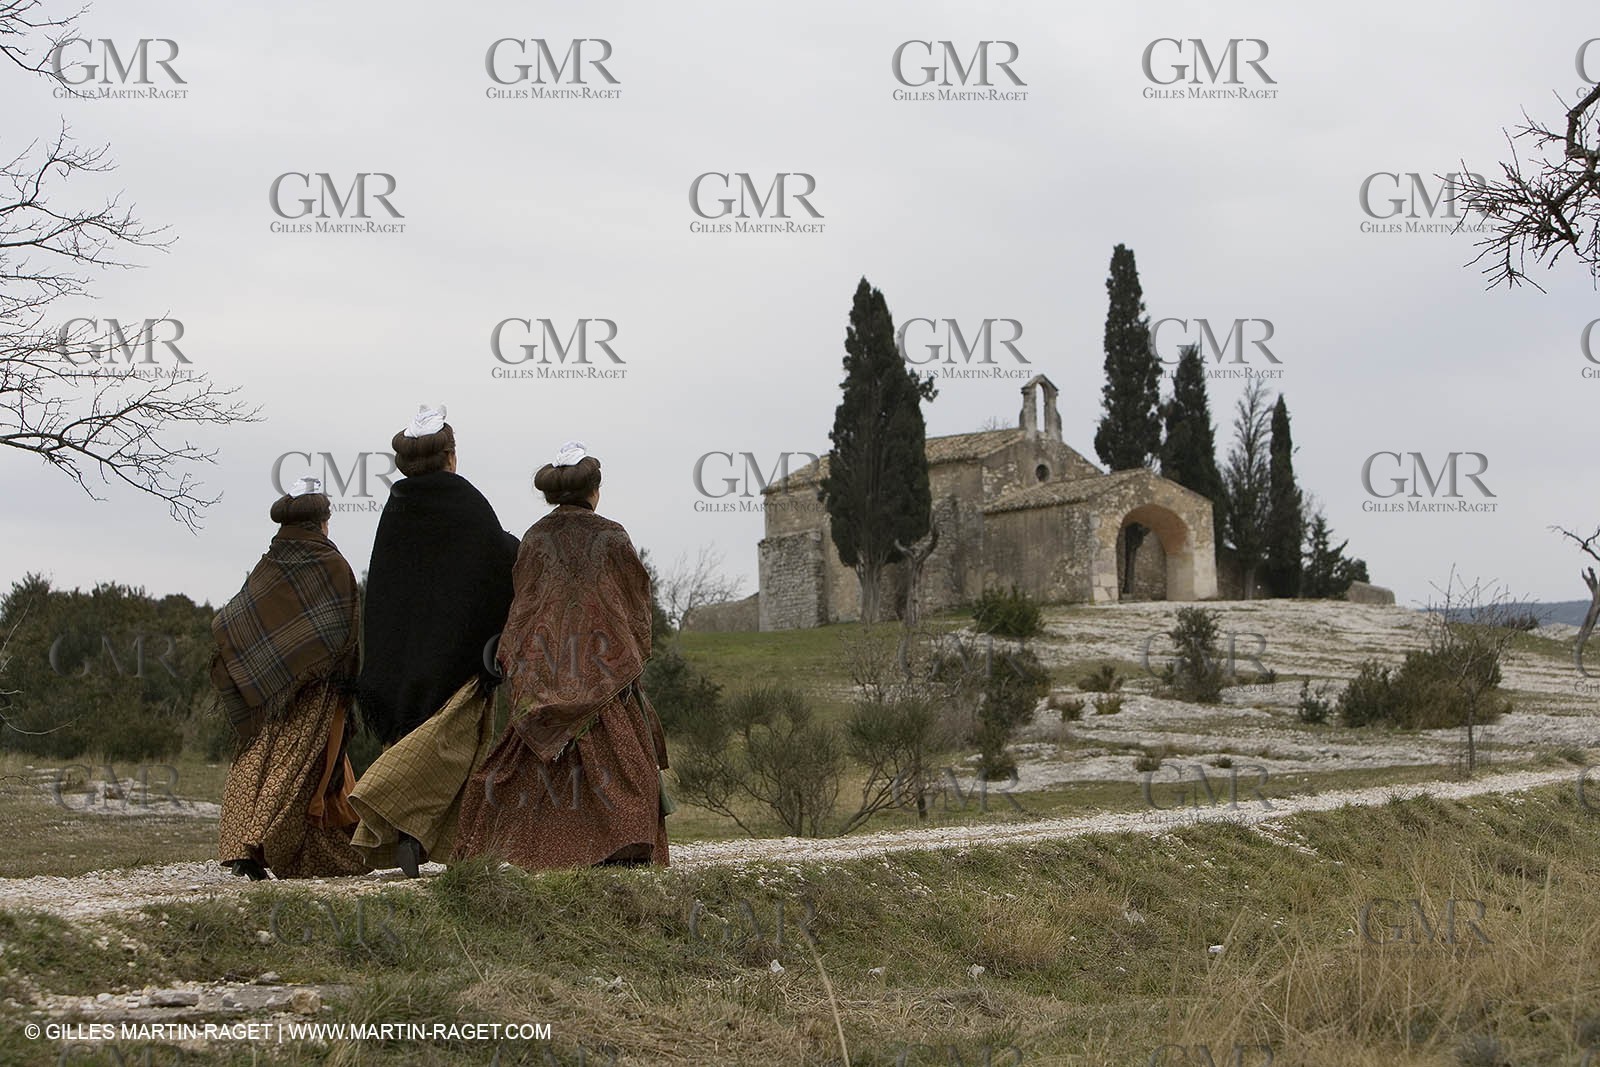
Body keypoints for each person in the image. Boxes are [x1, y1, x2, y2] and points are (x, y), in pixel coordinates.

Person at [454, 441, 670, 869]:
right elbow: (635, 600)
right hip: (604, 668)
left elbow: (525, 604)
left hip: (547, 668)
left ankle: (525, 849)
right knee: (622, 761)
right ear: (595, 489)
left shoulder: (535, 537)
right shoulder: (612, 535)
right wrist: (629, 648)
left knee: (527, 761)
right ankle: (621, 845)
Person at [349, 405, 519, 877]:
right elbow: (494, 560)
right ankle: (385, 800)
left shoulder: (398, 505)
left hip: (403, 651)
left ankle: (417, 838)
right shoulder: (463, 500)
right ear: (449, 456)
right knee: (449, 745)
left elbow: (385, 582)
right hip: (456, 652)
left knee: (415, 738)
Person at [213, 477, 369, 880]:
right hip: (314, 689)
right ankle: (256, 842)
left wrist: (262, 664)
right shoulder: (332, 564)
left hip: (267, 690)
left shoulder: (269, 563)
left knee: (260, 758)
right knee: (293, 767)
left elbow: (234, 618)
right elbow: (344, 631)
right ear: (321, 521)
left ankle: (247, 844)